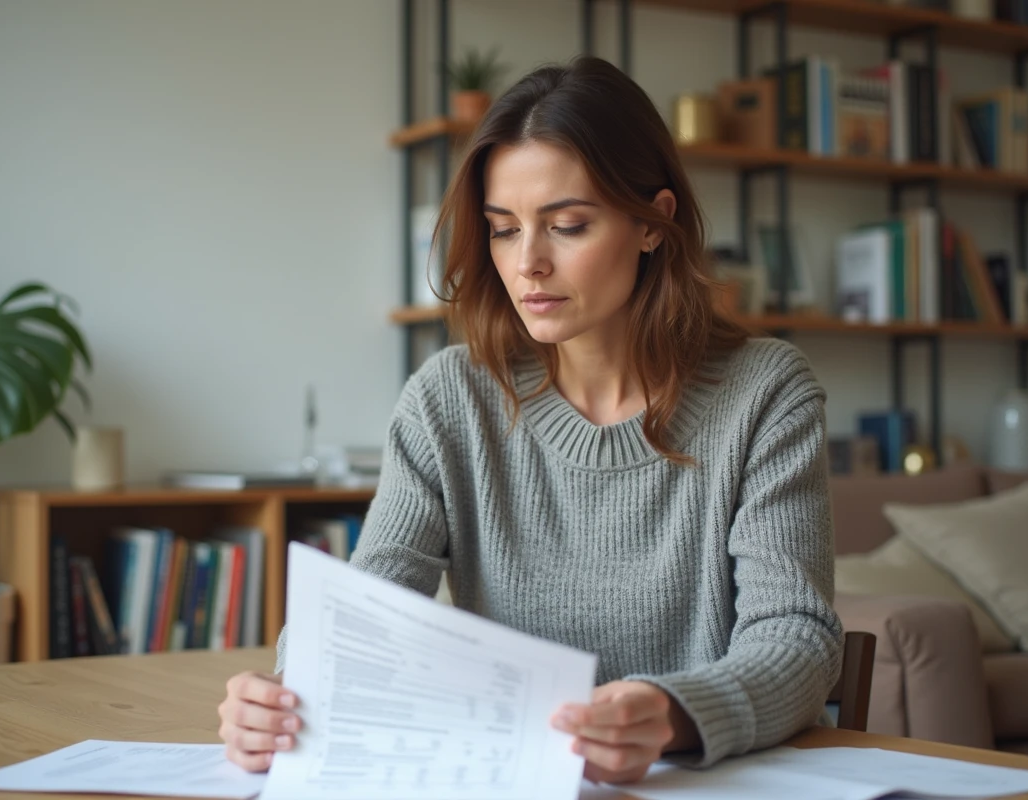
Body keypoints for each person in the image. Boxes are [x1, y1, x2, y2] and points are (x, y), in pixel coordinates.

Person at [218, 55, 842, 785]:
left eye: (567, 225)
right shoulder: (449, 399)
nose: (528, 264)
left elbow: (797, 637)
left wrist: (671, 711)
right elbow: (369, 609)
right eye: (503, 229)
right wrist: (284, 695)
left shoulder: (766, 393)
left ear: (653, 223)